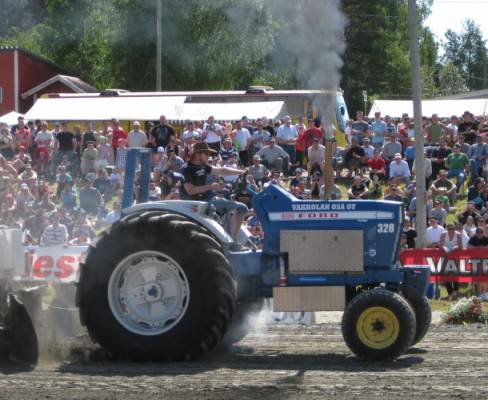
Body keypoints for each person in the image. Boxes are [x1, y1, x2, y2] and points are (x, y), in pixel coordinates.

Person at [181, 142, 247, 244]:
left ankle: (233, 240)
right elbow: (190, 190)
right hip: (197, 204)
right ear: (198, 154)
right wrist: (211, 186)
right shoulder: (186, 169)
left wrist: (240, 172)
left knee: (242, 208)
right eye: (206, 154)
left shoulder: (204, 166)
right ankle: (231, 243)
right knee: (237, 208)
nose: (209, 156)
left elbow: (222, 170)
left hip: (208, 201)